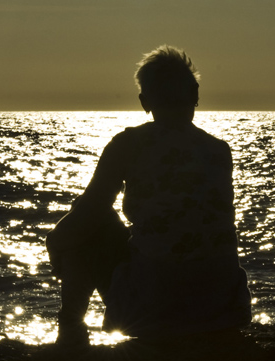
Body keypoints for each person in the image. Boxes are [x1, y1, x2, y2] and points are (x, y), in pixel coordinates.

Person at [46, 45, 252, 345]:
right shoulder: (218, 150)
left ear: (145, 101)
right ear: (194, 94)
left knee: (90, 223)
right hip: (223, 310)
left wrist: (55, 242)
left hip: (154, 312)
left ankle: (70, 329)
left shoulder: (128, 145)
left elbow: (89, 213)